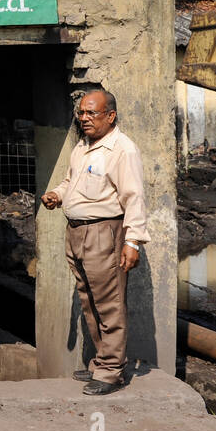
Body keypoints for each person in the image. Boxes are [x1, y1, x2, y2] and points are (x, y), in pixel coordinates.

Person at [42, 88, 148, 396]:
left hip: (104, 233)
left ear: (110, 116)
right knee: (89, 300)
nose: (84, 118)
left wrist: (133, 241)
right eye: (81, 113)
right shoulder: (83, 147)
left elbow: (134, 197)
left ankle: (111, 371)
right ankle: (103, 362)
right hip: (76, 232)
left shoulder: (122, 150)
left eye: (92, 113)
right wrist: (58, 195)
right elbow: (69, 181)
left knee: (110, 303)